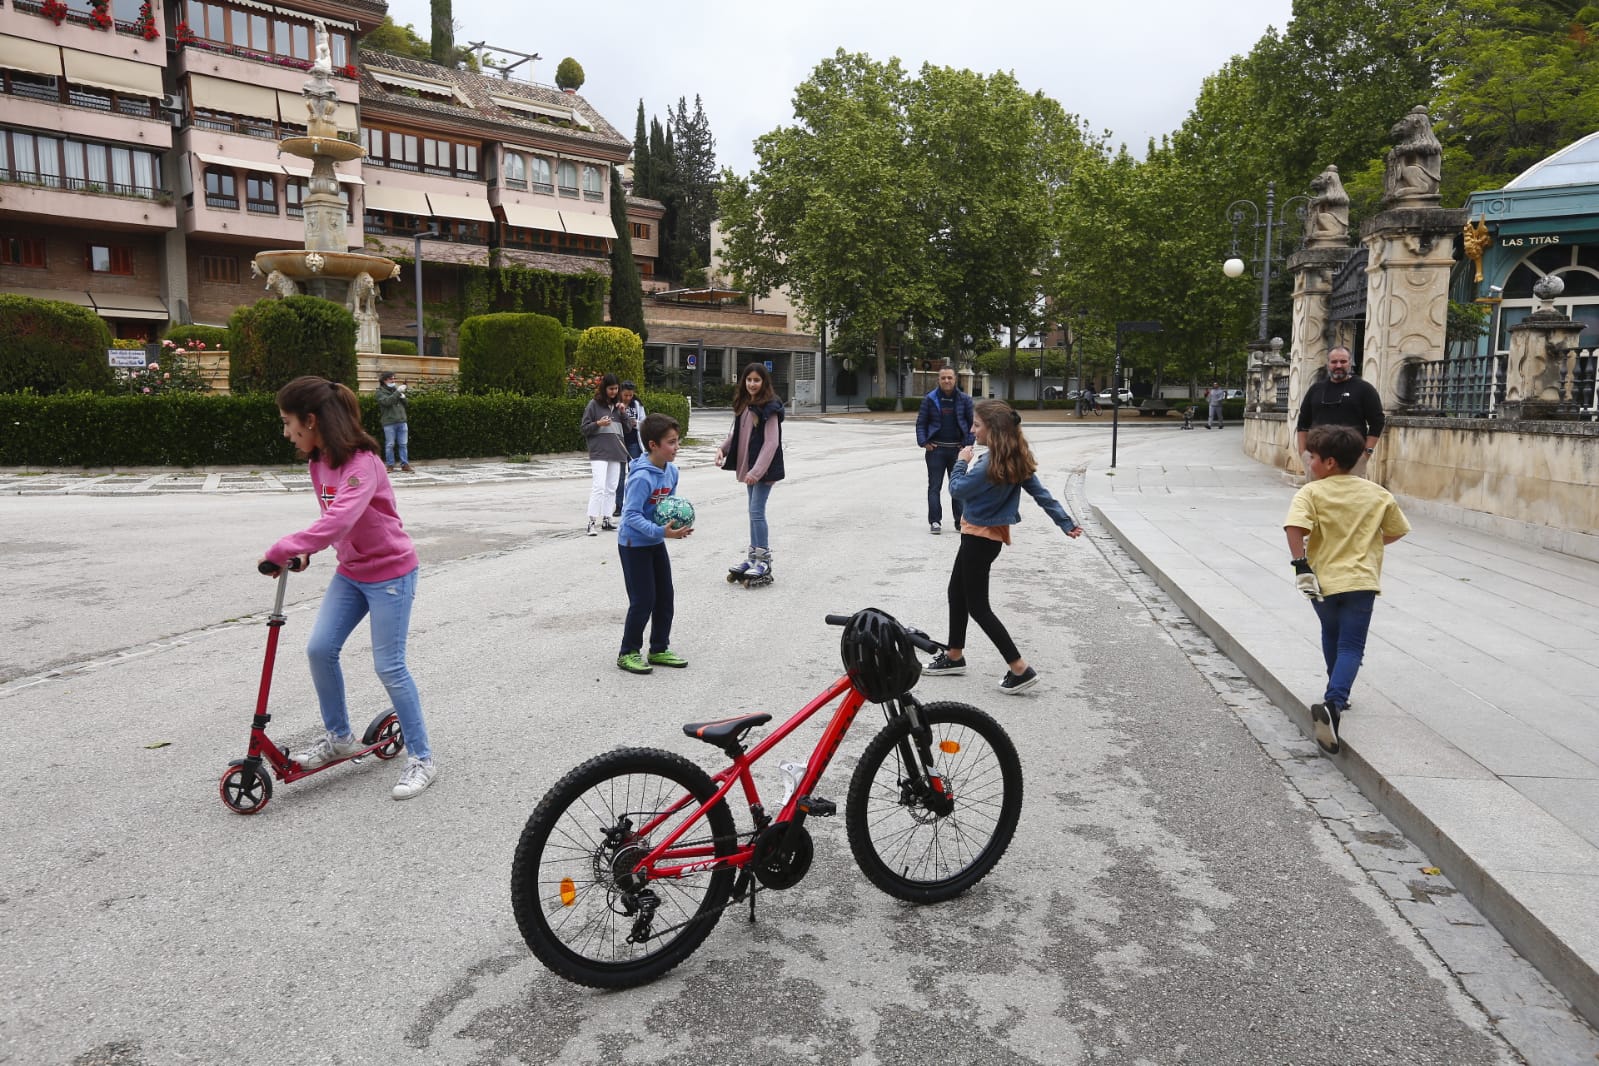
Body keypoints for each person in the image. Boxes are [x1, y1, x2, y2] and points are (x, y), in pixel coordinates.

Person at [259, 376, 436, 800]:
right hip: (352, 573)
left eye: (288, 423)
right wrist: (305, 554)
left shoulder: (364, 463)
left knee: (389, 666)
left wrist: (285, 546)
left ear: (312, 420)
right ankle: (339, 738)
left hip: (391, 574)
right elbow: (334, 522)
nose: (286, 433)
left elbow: (340, 518)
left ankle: (422, 758)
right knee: (320, 649)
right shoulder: (318, 462)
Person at [923, 400, 1083, 694]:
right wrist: (1065, 522)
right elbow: (1043, 496)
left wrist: (961, 461)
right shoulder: (1014, 458)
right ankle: (954, 655)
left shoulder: (987, 465)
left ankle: (1020, 668)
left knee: (979, 607)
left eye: (977, 425)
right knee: (955, 592)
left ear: (993, 430)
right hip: (985, 537)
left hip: (978, 539)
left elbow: (956, 489)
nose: (972, 429)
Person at [1283, 425, 1411, 755]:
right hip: (1362, 581)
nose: (1308, 461)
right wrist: (1369, 544)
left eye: (1312, 457)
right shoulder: (1378, 494)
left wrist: (1300, 564)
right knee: (1352, 645)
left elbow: (1295, 527)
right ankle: (1335, 700)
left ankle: (1334, 694)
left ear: (1328, 463)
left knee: (1330, 633)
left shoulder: (1311, 493)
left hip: (1321, 580)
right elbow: (1398, 531)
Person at [615, 413, 694, 674]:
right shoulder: (640, 477)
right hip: (633, 543)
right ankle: (628, 652)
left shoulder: (671, 471)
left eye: (677, 441)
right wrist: (661, 532)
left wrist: (675, 526)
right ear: (653, 445)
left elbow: (665, 507)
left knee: (665, 597)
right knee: (643, 599)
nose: (676, 447)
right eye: (671, 442)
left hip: (655, 540)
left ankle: (659, 648)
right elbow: (630, 515)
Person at [716, 363, 785, 587]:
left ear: (764, 382)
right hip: (750, 468)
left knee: (756, 512)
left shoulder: (770, 407)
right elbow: (737, 433)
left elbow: (772, 443)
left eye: (756, 380)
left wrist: (757, 472)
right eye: (748, 380)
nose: (752, 384)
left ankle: (763, 560)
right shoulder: (745, 404)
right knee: (752, 511)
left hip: (763, 470)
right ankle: (753, 557)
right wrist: (722, 449)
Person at [1295, 346, 1384, 477]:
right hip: (1318, 459)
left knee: (1349, 497)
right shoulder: (1316, 389)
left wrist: (1365, 454)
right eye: (1334, 362)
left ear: (1350, 363)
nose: (1338, 365)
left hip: (1352, 460)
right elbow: (1303, 423)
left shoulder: (1364, 389)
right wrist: (1303, 452)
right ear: (1328, 364)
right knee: (1317, 496)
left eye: (1343, 362)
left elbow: (1377, 422)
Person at [915, 366, 975, 535]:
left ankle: (960, 522)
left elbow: (972, 424)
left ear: (955, 379)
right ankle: (935, 521)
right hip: (936, 450)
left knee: (958, 487)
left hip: (958, 451)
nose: (947, 381)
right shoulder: (930, 399)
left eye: (950, 377)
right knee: (934, 487)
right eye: (943, 378)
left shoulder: (965, 400)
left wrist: (968, 444)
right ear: (938, 380)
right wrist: (923, 442)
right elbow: (921, 423)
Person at [580, 373, 634, 537]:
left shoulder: (618, 408)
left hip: (616, 452)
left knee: (611, 488)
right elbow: (584, 428)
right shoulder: (594, 405)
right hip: (599, 452)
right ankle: (591, 522)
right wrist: (598, 423)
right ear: (604, 388)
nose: (613, 392)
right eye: (611, 389)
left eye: (616, 389)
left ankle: (607, 519)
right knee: (599, 487)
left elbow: (628, 429)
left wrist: (623, 413)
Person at [611, 380, 646, 518]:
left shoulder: (636, 405)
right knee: (619, 476)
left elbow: (644, 422)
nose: (628, 398)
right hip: (619, 443)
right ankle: (619, 505)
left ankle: (634, 504)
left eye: (630, 395)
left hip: (634, 443)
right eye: (625, 395)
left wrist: (635, 423)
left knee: (635, 475)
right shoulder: (614, 404)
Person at [375, 371, 411, 473]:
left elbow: (406, 404)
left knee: (403, 444)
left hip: (402, 421)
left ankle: (405, 465)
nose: (393, 381)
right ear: (384, 380)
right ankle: (390, 465)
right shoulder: (380, 392)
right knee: (390, 444)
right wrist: (398, 392)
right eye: (391, 379)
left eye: (394, 378)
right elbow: (387, 402)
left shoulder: (396, 390)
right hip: (389, 422)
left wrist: (403, 398)